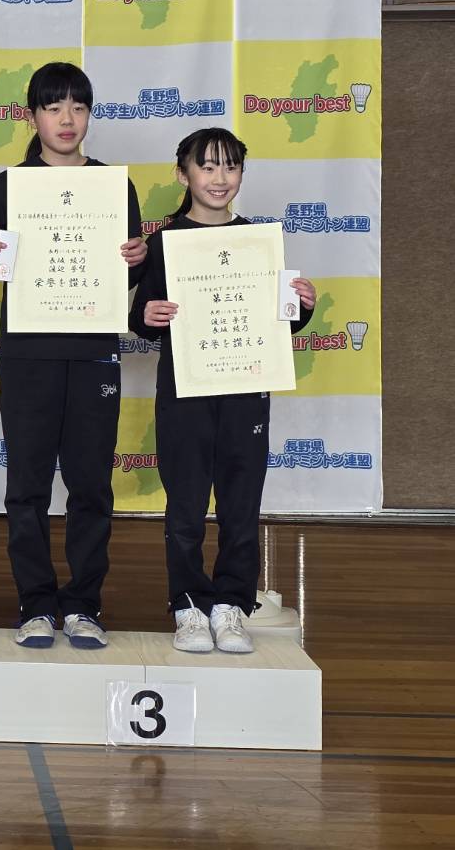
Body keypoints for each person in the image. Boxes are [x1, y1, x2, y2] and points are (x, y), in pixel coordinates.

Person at [0, 61, 146, 649]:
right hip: (28, 355)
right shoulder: (8, 187)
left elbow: (125, 279)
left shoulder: (114, 188)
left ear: (89, 115)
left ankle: (84, 604)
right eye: (54, 106)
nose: (67, 119)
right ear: (33, 116)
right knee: (28, 487)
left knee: (91, 487)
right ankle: (36, 604)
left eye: (78, 107)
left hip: (93, 354)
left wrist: (136, 260)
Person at [129, 127, 316, 654]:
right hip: (184, 392)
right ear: (183, 173)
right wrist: (147, 315)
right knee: (185, 506)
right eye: (207, 166)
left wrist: (301, 305)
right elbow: (143, 318)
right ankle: (189, 606)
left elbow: (279, 321)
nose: (219, 178)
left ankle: (232, 605)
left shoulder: (258, 241)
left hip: (245, 390)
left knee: (241, 503)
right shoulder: (164, 242)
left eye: (230, 166)